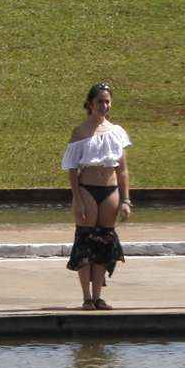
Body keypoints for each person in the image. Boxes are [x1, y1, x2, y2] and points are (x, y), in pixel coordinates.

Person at [62, 82, 132, 310]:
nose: (104, 106)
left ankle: (98, 294)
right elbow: (72, 169)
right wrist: (78, 198)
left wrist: (126, 199)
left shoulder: (117, 132)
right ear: (90, 104)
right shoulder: (81, 132)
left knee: (104, 240)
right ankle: (86, 297)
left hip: (110, 189)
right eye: (99, 101)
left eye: (107, 101)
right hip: (87, 188)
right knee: (85, 240)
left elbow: (122, 170)